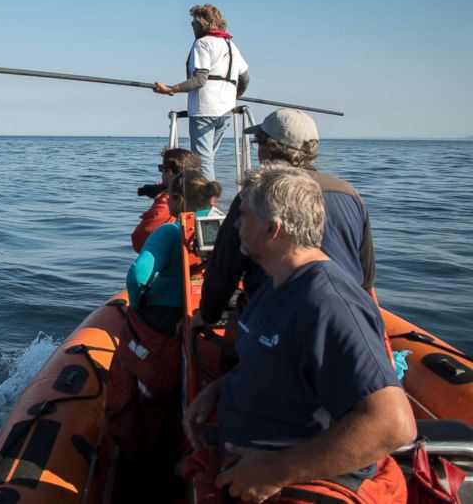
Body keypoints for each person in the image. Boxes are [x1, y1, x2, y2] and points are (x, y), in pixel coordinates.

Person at [182, 165, 415, 503]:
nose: (234, 225)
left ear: (271, 229)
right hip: (242, 458)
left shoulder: (328, 303)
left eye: (243, 216)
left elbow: (393, 424)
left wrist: (273, 471)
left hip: (286, 483)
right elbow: (274, 361)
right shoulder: (274, 284)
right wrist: (220, 388)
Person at [199, 107, 376, 325]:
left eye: (259, 144)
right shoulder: (350, 194)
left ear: (269, 148)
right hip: (346, 317)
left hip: (276, 320)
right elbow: (365, 276)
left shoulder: (256, 194)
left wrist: (209, 315)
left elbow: (224, 269)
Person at [106, 172, 223, 496]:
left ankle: (136, 464)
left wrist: (140, 304)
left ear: (179, 201)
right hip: (198, 319)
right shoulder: (223, 226)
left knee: (134, 388)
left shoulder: (170, 231)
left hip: (158, 321)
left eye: (170, 197)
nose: (166, 202)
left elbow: (138, 274)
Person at [153, 4, 250, 183]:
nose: (191, 26)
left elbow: (199, 80)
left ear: (202, 24)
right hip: (227, 111)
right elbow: (244, 78)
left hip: (205, 109)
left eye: (193, 23)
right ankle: (187, 188)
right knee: (204, 158)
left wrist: (170, 90)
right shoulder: (230, 44)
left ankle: (205, 203)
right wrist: (236, 95)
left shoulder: (203, 43)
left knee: (203, 160)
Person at [131, 148, 200, 252]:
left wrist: (162, 197)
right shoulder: (199, 196)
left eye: (163, 169)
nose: (161, 174)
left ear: (170, 172)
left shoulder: (168, 202)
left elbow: (140, 240)